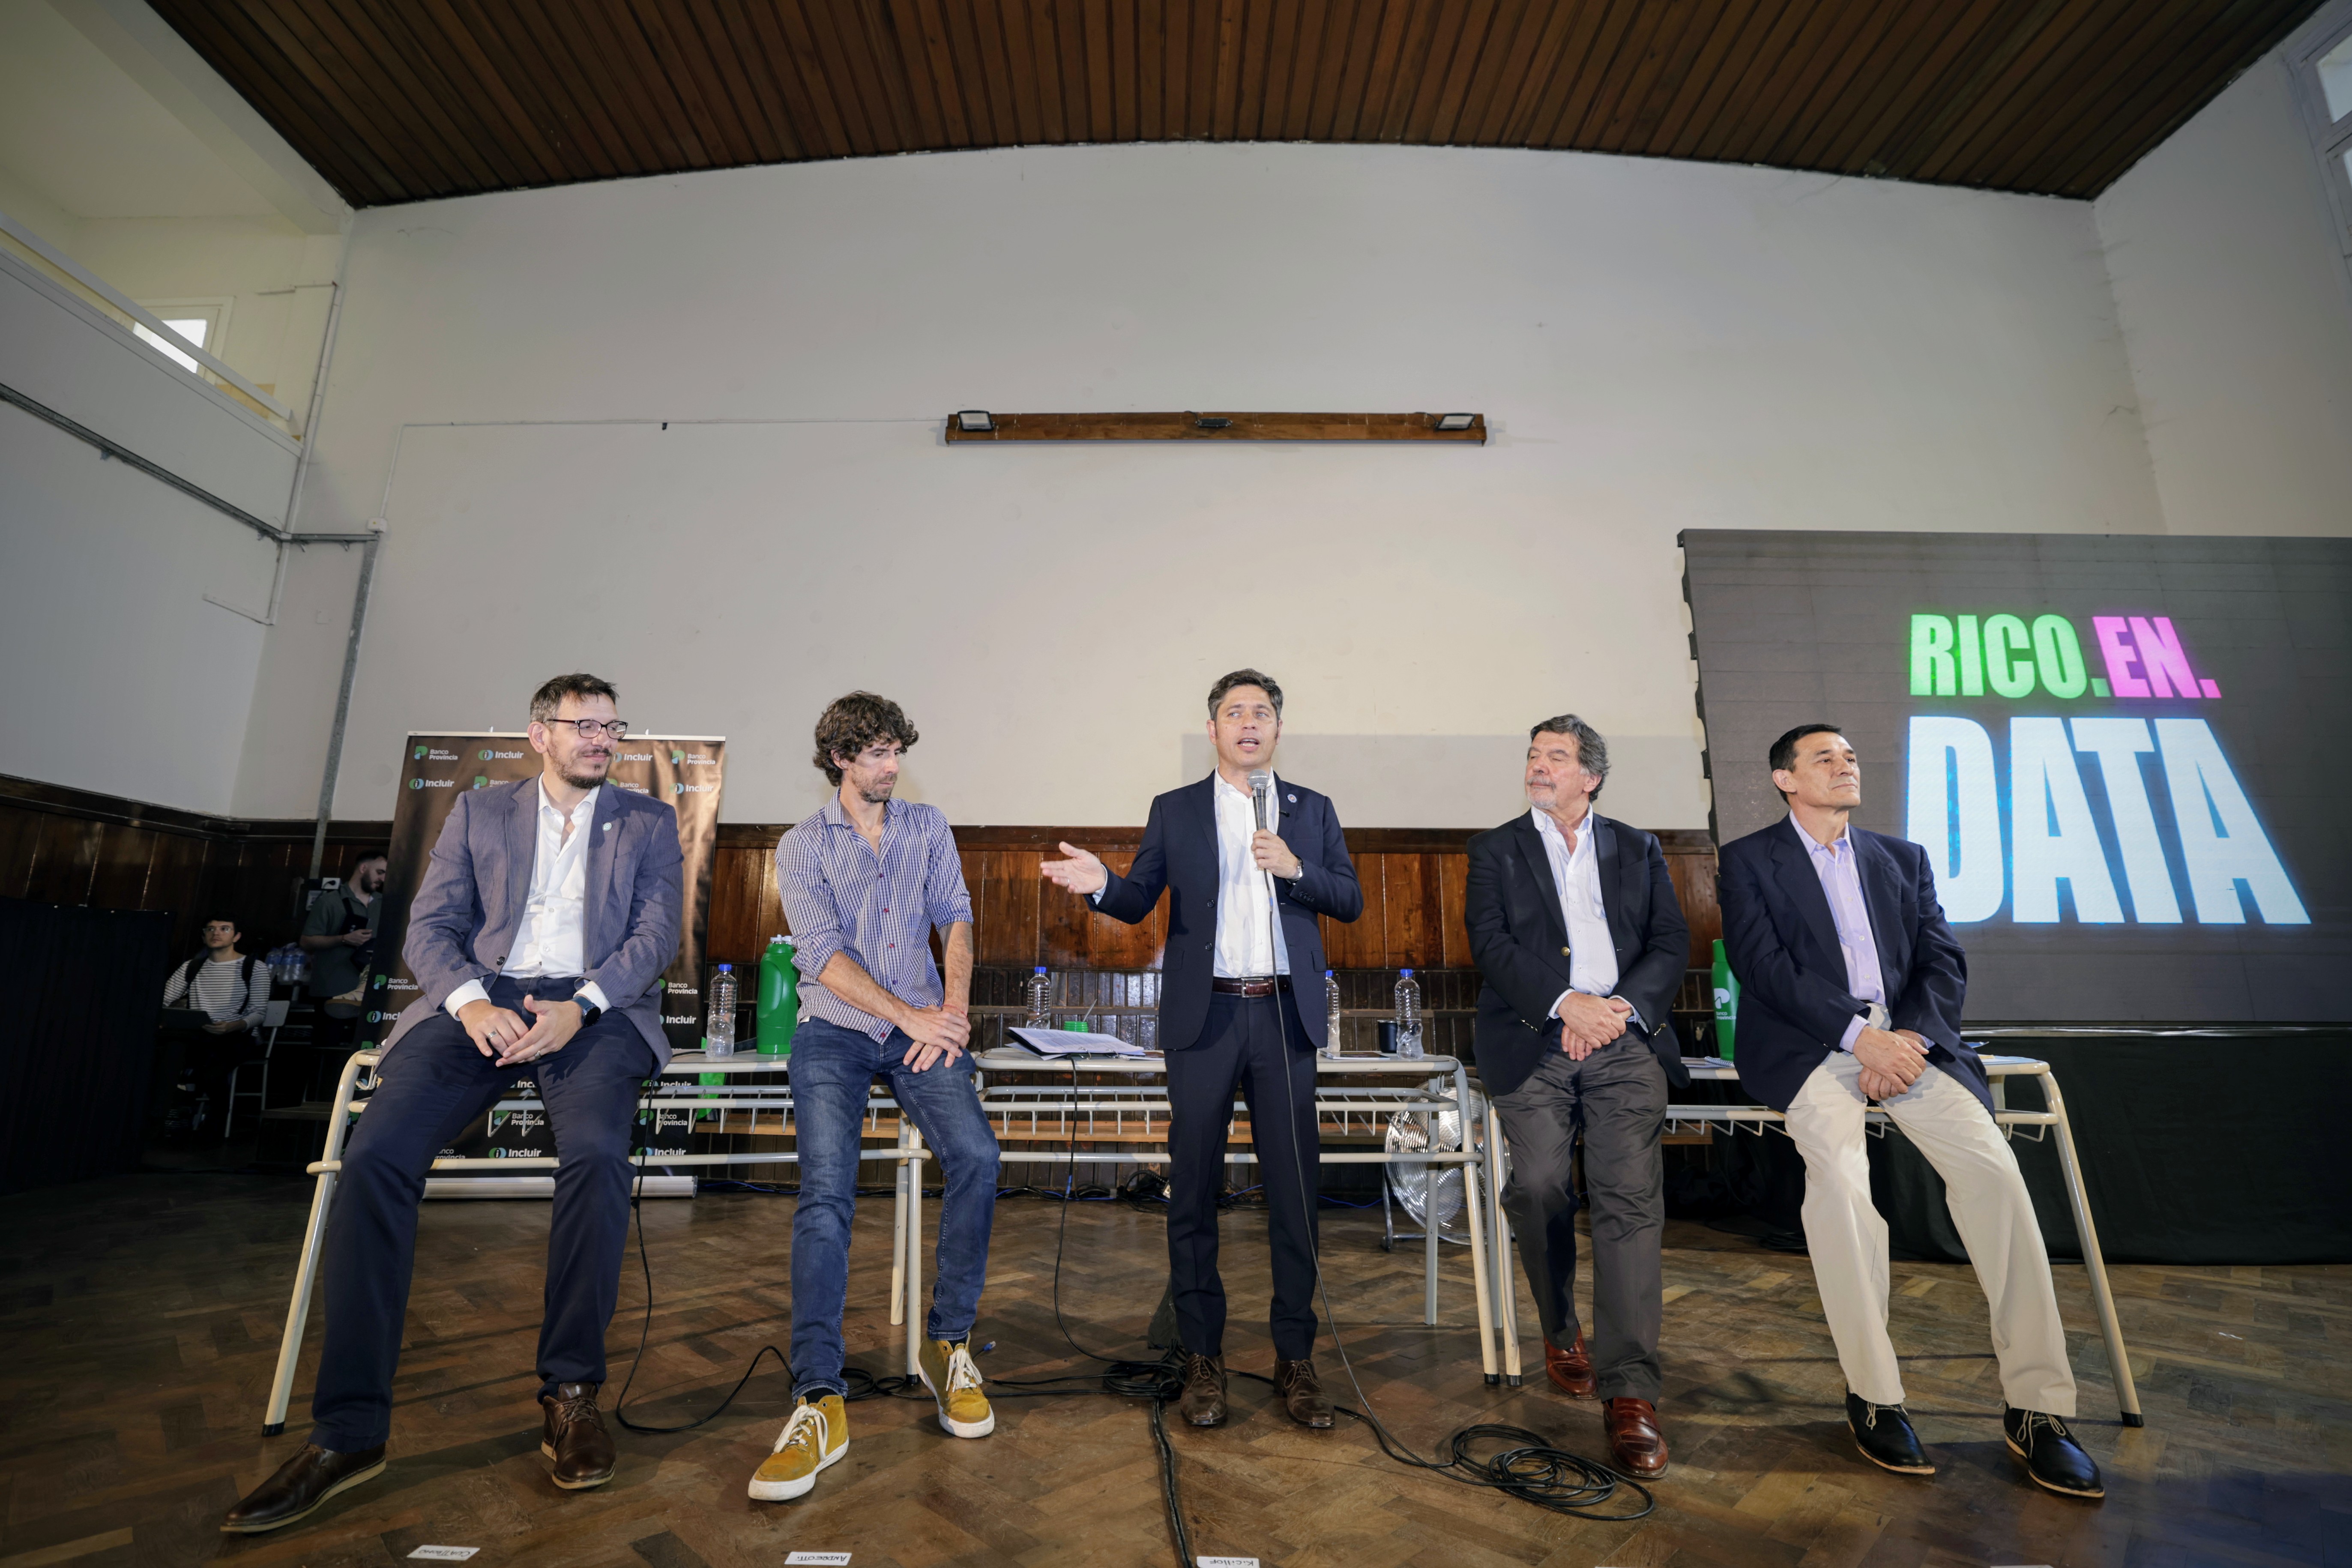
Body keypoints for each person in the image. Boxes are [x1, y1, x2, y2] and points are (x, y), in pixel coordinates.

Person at [221, 674, 682, 1533]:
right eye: (583, 725)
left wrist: (580, 1008)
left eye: (611, 727)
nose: (601, 740)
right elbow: (430, 927)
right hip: (480, 1001)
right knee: (373, 1160)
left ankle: (571, 1395)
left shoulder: (648, 820)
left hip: (596, 1010)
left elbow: (655, 937)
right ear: (539, 734)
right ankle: (349, 1432)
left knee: (596, 1159)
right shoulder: (479, 812)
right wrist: (470, 1005)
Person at [1718, 724, 2102, 1499]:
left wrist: (1910, 1042)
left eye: (1850, 756)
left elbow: (1940, 961)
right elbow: (1765, 969)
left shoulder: (1902, 858)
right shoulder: (1748, 860)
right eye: (1824, 758)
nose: (1845, 765)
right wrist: (1860, 1039)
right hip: (1811, 1046)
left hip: (1910, 1047)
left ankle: (2038, 1408)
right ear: (1785, 779)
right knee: (1840, 1188)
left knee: (1997, 1178)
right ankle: (1875, 1395)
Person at [1041, 669, 1363, 1430]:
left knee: (1294, 1195)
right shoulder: (1176, 809)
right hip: (1205, 1019)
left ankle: (1295, 1357)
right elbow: (1136, 900)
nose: (1248, 723)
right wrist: (1100, 883)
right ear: (1213, 729)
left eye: (1262, 712)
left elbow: (1348, 899)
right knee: (1191, 1193)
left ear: (1278, 729)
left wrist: (1297, 869)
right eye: (1233, 712)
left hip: (1284, 1018)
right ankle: (1201, 1357)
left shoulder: (1312, 810)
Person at [753, 691, 1001, 1504]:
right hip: (835, 1030)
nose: (892, 766)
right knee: (826, 1192)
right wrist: (910, 1016)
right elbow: (822, 957)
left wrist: (950, 1015)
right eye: (877, 754)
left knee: (978, 1157)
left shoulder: (927, 827)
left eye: (898, 751)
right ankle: (818, 1394)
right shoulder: (801, 845)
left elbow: (956, 920)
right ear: (839, 759)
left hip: (924, 1026)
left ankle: (947, 1346)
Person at [1462, 716, 1690, 1480]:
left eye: (1555, 757)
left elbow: (1670, 942)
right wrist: (1567, 1005)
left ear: (1590, 776)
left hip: (1624, 1039)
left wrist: (1617, 1011)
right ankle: (1560, 1327)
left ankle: (1631, 1393)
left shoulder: (1637, 846)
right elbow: (1491, 945)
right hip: (1536, 1037)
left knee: (1629, 1199)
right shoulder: (1495, 849)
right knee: (1536, 1187)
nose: (1538, 766)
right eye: (1533, 755)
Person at [159, 913, 270, 1139]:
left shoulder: (253, 967)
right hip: (198, 1035)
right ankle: (164, 1119)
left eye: (224, 929)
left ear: (236, 936)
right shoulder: (192, 967)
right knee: (168, 1055)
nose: (216, 933)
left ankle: (213, 1127)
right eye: (210, 929)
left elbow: (259, 1013)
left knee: (212, 1071)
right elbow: (162, 1000)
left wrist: (233, 1026)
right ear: (203, 936)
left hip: (237, 1035)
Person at [300, 852, 387, 1058]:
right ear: (363, 869)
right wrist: (344, 939)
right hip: (332, 989)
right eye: (380, 872)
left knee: (368, 1054)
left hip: (373, 993)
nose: (383, 879)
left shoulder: (386, 904)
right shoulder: (330, 902)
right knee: (327, 1053)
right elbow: (306, 941)